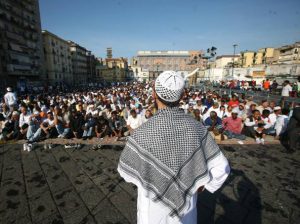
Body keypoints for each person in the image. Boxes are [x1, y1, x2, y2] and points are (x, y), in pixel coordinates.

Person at [118, 71, 230, 224]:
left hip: (151, 213)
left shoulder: (142, 132)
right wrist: (202, 185)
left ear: (154, 94)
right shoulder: (197, 129)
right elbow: (222, 169)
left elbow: (126, 171)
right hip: (186, 212)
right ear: (182, 95)